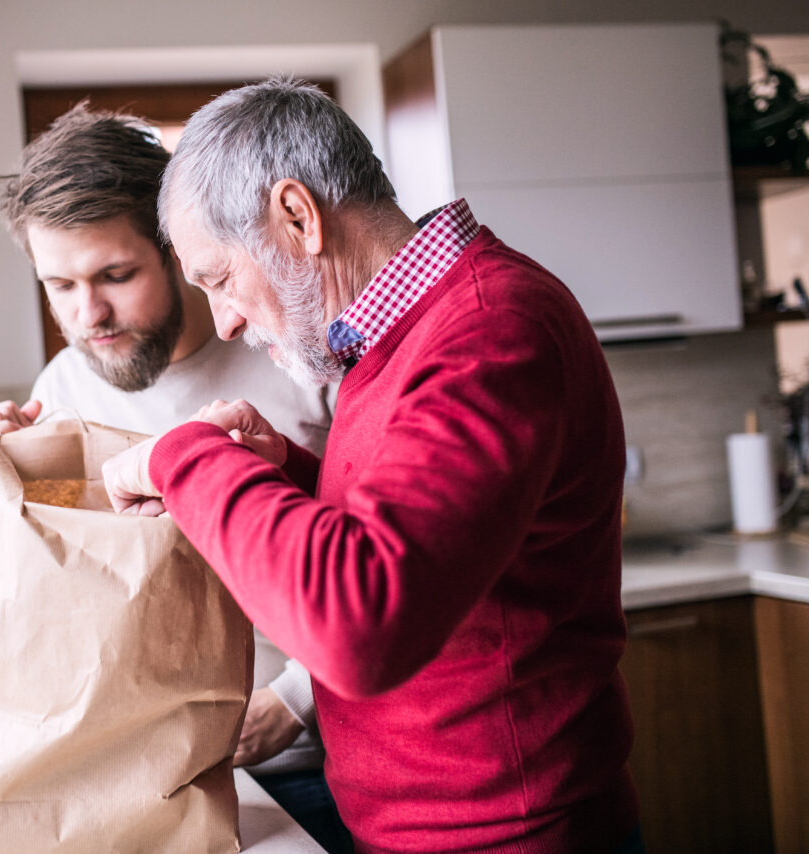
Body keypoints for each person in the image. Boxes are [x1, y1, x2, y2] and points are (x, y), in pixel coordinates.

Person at [102, 79, 644, 854]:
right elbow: (426, 540)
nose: (222, 318)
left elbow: (362, 625)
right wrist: (285, 472)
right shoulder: (398, 334)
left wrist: (182, 457)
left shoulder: (488, 331)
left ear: (297, 216)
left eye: (220, 279)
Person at [0, 103, 353, 853]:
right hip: (155, 783)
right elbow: (49, 600)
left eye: (116, 274)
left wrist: (295, 703)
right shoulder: (63, 388)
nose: (89, 315)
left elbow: (392, 559)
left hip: (320, 768)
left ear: (178, 248)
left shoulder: (298, 354)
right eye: (60, 286)